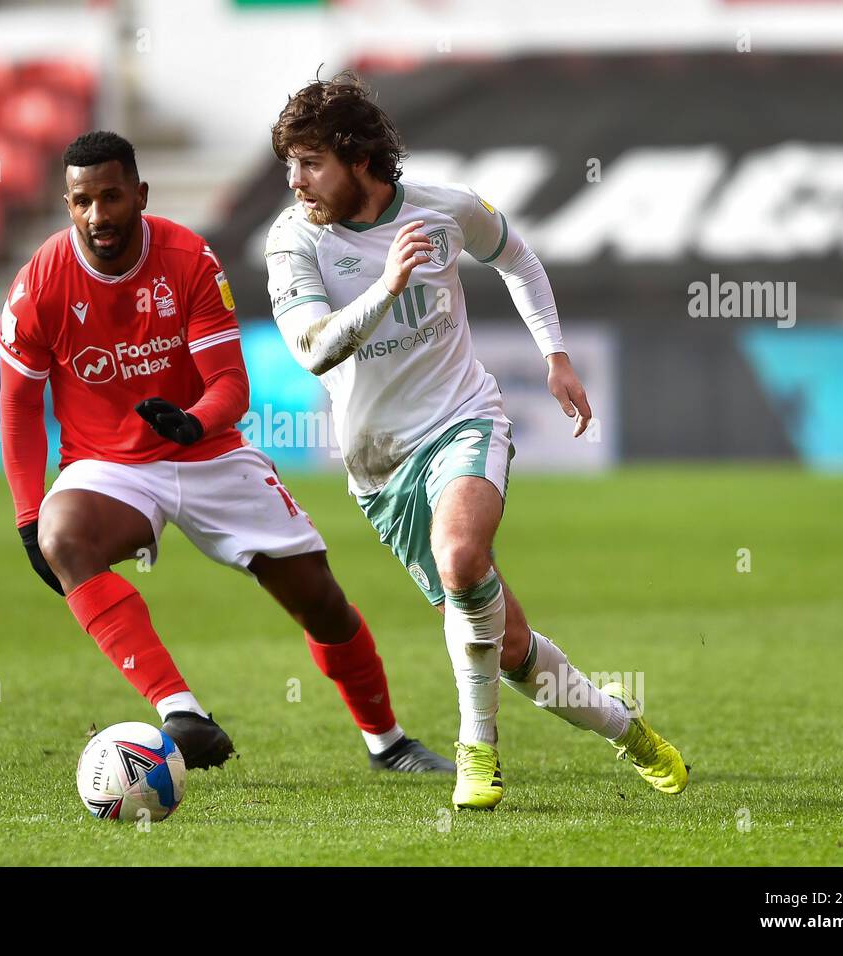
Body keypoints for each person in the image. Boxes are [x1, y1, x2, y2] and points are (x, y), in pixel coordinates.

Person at [264, 74, 688, 809]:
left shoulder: (443, 207)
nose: (296, 182)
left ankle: (477, 752)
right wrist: (387, 287)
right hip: (379, 465)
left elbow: (517, 256)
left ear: (358, 156)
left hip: (464, 418)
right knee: (513, 647)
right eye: (289, 166)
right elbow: (313, 349)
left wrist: (554, 355)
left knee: (462, 558)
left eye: (310, 163)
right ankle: (627, 731)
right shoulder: (293, 239)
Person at [0, 130, 452, 774]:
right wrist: (25, 518)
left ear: (140, 195)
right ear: (67, 203)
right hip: (108, 466)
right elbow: (18, 406)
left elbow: (231, 386)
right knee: (62, 535)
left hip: (208, 452)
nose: (97, 215)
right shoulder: (39, 283)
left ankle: (388, 742)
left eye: (111, 197)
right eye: (81, 201)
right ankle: (182, 714)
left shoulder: (186, 258)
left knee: (319, 601)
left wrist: (192, 423)